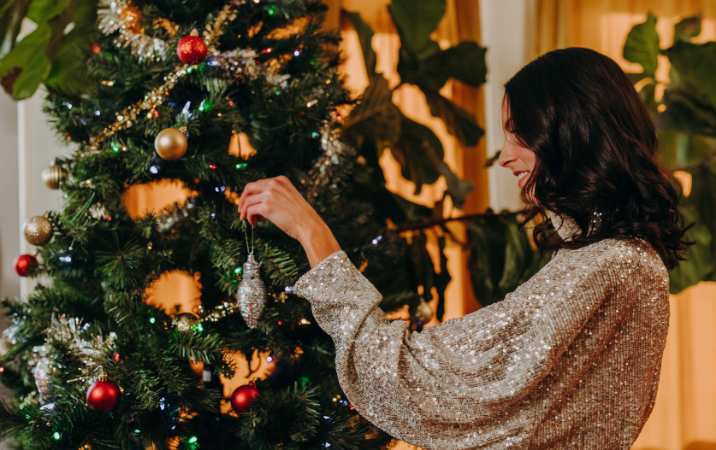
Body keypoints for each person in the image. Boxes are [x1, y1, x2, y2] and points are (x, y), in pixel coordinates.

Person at [237, 47, 690, 449]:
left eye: (518, 133)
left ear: (569, 132)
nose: (506, 155)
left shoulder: (612, 266)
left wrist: (314, 236)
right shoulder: (609, 258)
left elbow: (424, 380)